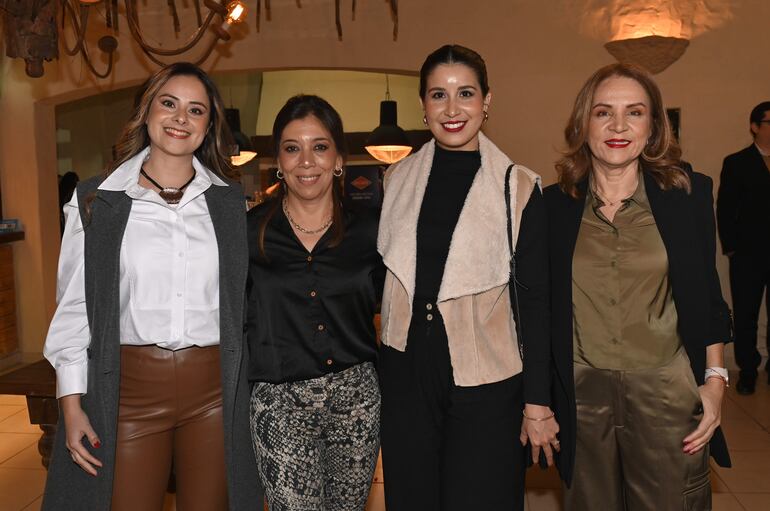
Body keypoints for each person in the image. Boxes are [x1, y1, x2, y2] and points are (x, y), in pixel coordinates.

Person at [42, 62, 261, 511]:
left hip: (215, 392)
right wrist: (71, 401)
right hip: (130, 391)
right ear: (146, 112)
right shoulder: (96, 200)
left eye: (195, 110)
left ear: (208, 127)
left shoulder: (230, 204)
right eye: (169, 103)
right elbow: (74, 306)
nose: (181, 118)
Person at [545, 63, 732, 511]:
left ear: (652, 128)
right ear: (582, 124)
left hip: (665, 389)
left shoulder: (687, 196)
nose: (618, 126)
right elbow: (535, 307)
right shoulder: (551, 207)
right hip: (581, 395)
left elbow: (707, 293)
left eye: (634, 112)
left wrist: (715, 381)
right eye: (603, 112)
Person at [376, 44, 555, 511]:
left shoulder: (518, 186)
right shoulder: (396, 179)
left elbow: (536, 303)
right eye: (439, 95)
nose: (452, 110)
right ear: (423, 105)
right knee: (412, 497)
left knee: (482, 498)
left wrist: (537, 403)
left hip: (487, 379)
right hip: (406, 372)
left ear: (487, 102)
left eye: (466, 94)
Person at [246, 94, 383, 511]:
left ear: (339, 158)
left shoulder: (373, 231)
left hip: (356, 400)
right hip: (278, 401)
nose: (306, 160)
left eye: (319, 147)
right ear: (279, 161)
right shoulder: (247, 233)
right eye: (292, 148)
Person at [716, 101, 770, 395]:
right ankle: (747, 370)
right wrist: (732, 247)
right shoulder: (736, 162)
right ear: (755, 126)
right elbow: (725, 208)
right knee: (746, 313)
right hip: (748, 254)